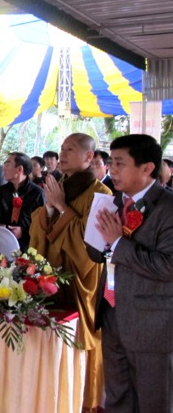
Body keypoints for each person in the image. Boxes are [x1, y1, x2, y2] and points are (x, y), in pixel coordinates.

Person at [29, 133, 111, 411]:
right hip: (50, 272)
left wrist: (62, 207)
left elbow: (92, 246)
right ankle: (51, 396)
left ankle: (81, 400)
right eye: (62, 149)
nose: (62, 154)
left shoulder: (102, 194)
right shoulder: (58, 186)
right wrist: (49, 209)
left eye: (70, 150)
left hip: (80, 277)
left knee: (77, 336)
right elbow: (40, 229)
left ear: (89, 156)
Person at [93, 134, 173, 413]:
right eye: (111, 163)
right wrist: (98, 237)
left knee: (153, 401)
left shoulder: (167, 208)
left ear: (147, 167)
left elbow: (168, 266)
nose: (112, 170)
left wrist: (117, 243)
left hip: (151, 323)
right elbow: (97, 253)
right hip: (112, 310)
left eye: (120, 163)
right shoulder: (112, 202)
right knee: (117, 397)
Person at [0, 152, 45, 252]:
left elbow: (43, 224)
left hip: (26, 248)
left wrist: (24, 231)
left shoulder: (37, 193)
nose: (4, 169)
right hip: (0, 245)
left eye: (8, 164)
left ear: (19, 169)